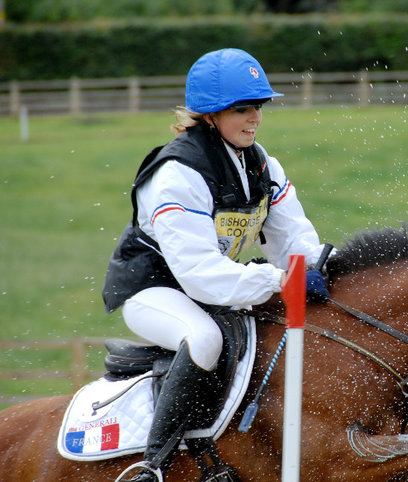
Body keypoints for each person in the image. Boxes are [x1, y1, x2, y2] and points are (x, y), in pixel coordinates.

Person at [103, 48, 331, 481]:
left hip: (211, 285)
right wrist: (279, 278)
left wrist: (310, 265)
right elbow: (201, 275)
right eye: (242, 109)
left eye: (258, 107)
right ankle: (152, 465)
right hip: (154, 289)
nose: (255, 118)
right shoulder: (178, 172)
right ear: (209, 115)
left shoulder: (262, 163)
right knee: (205, 339)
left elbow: (293, 237)